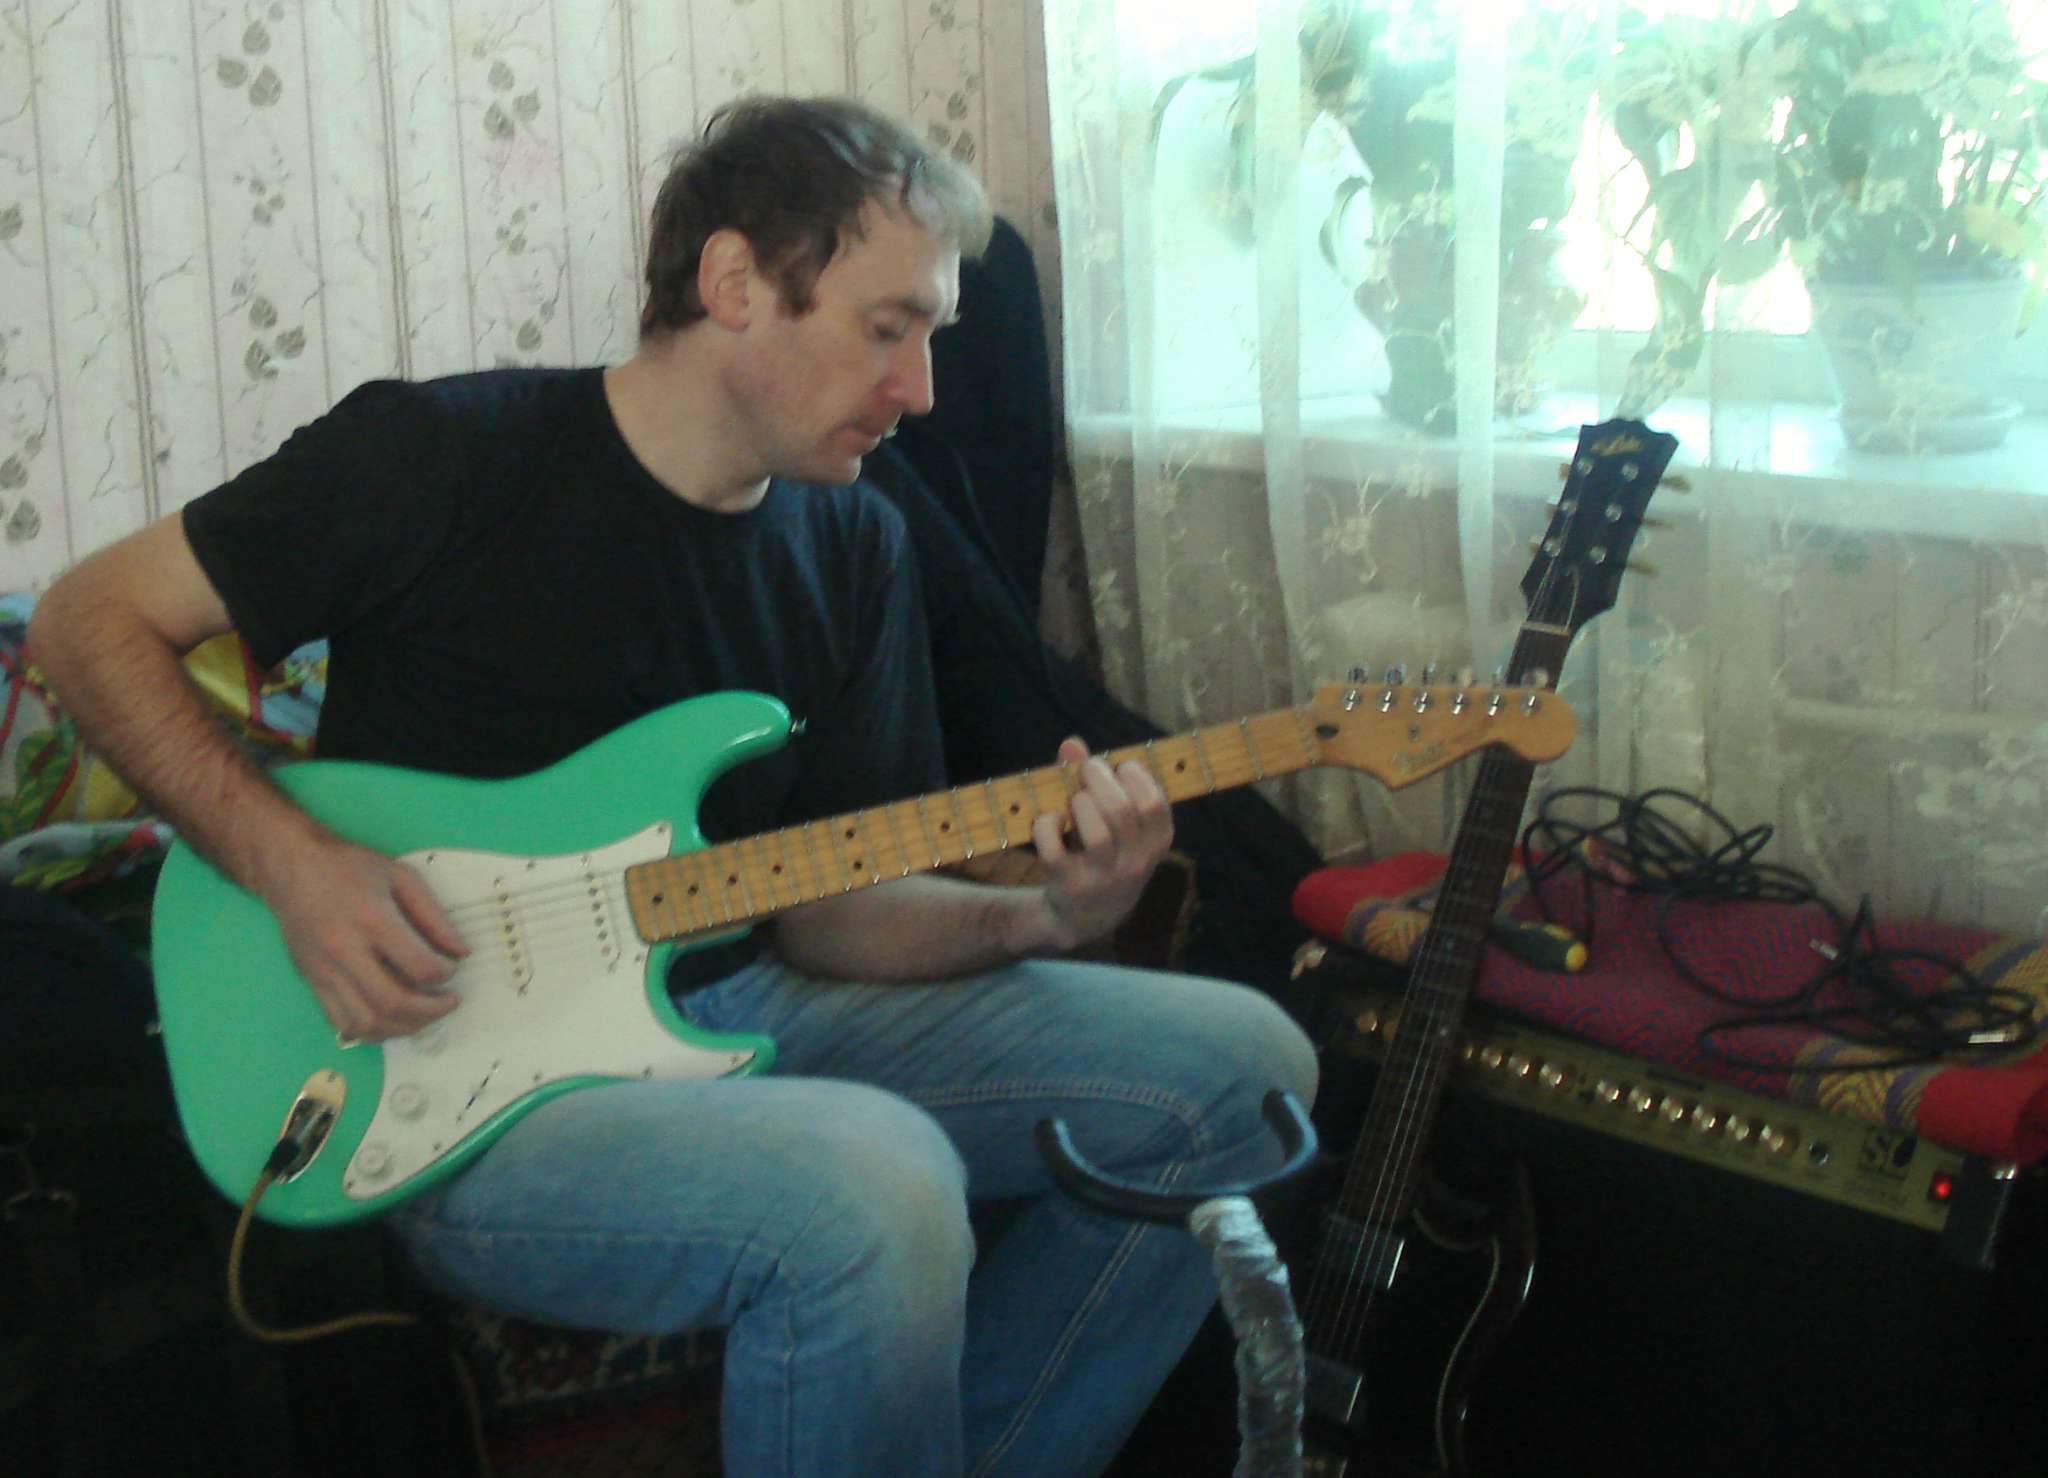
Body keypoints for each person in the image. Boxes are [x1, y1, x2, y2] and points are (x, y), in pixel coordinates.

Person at [28, 96, 1317, 1477]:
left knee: (1249, 1073)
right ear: (735, 282)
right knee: (875, 1184)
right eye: (890, 328)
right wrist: (293, 867)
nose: (925, 389)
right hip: (460, 1081)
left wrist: (1049, 915)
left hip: (748, 1005)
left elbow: (830, 910)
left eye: (933, 334)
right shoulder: (442, 457)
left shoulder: (857, 544)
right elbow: (84, 623)